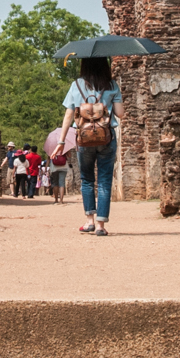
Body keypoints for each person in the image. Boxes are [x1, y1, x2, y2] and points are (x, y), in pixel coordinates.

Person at [61, 55, 121, 235]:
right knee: (104, 181)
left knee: (87, 180)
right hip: (106, 137)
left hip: (84, 138)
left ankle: (89, 222)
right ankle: (102, 225)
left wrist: (61, 141)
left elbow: (68, 115)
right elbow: (121, 113)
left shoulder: (76, 85)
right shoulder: (112, 85)